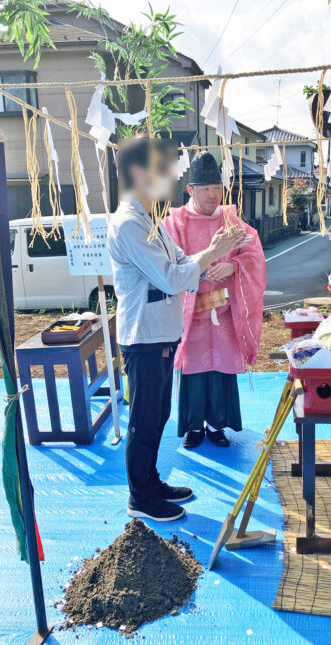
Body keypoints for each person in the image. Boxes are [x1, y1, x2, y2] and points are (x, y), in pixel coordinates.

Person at [107, 137, 249, 522]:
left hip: (161, 334)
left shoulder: (149, 218)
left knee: (158, 415)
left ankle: (151, 482)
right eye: (162, 171)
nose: (168, 179)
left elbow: (182, 261)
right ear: (138, 173)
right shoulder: (128, 223)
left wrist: (209, 255)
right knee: (144, 419)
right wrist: (213, 252)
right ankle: (140, 496)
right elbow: (171, 278)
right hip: (144, 336)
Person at [164, 151, 266, 449]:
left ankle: (217, 425)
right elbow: (169, 266)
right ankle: (194, 427)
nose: (213, 195)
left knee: (221, 371)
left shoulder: (231, 220)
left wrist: (234, 266)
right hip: (192, 313)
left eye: (217, 188)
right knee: (194, 372)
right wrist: (200, 270)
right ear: (190, 189)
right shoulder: (176, 224)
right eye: (206, 189)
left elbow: (255, 256)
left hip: (224, 312)